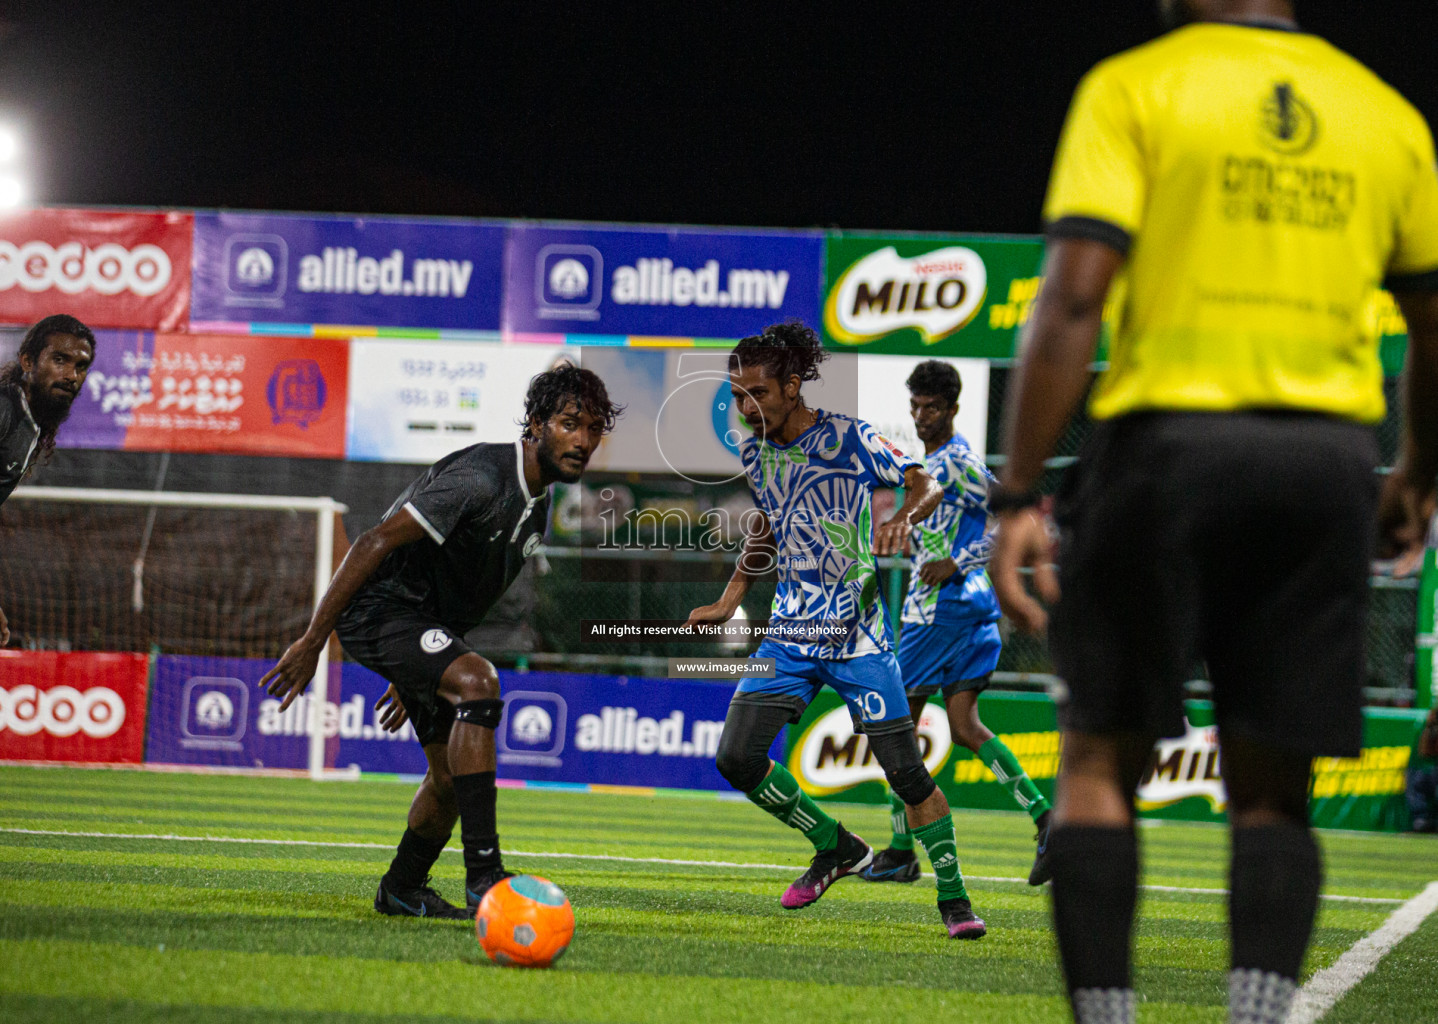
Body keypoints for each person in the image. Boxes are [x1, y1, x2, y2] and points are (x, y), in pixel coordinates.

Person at [989, 3, 1438, 1022]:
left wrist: (1016, 492)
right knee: (1272, 784)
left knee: (1100, 756)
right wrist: (1413, 470)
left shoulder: (1135, 84)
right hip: (1324, 462)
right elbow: (1433, 324)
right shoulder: (1385, 115)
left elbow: (1071, 297)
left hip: (1165, 449)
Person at [261, 364, 621, 919]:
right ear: (535, 424)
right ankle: (486, 877)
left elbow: (472, 597)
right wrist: (314, 638)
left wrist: (427, 667)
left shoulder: (537, 506)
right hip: (375, 608)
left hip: (421, 624)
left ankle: (402, 887)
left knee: (451, 778)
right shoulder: (482, 476)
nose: (583, 440)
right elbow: (374, 540)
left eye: (594, 429)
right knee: (479, 682)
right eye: (570, 423)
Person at [685, 321, 987, 939]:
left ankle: (955, 901)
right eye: (737, 396)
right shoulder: (754, 452)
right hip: (788, 635)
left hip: (858, 638)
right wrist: (730, 597)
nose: (746, 408)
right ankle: (835, 845)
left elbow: (923, 480)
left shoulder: (850, 437)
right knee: (736, 758)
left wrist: (905, 517)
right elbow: (769, 525)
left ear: (793, 385)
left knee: (906, 773)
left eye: (759, 394)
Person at [859, 360, 1054, 886]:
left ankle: (902, 850)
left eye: (931, 408)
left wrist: (957, 563)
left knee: (892, 726)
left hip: (938, 612)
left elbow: (1015, 519)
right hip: (968, 610)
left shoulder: (959, 460)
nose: (921, 416)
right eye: (915, 407)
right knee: (965, 727)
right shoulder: (937, 460)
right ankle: (1044, 817)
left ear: (952, 409)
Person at [0, 314, 96, 646]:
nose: (71, 375)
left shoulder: (27, 421)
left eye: (81, 366)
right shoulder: (4, 412)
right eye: (60, 360)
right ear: (27, 360)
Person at [1406, 707, 1438, 833]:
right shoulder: (1426, 730)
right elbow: (1424, 752)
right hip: (1428, 771)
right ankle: (1421, 820)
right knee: (1415, 780)